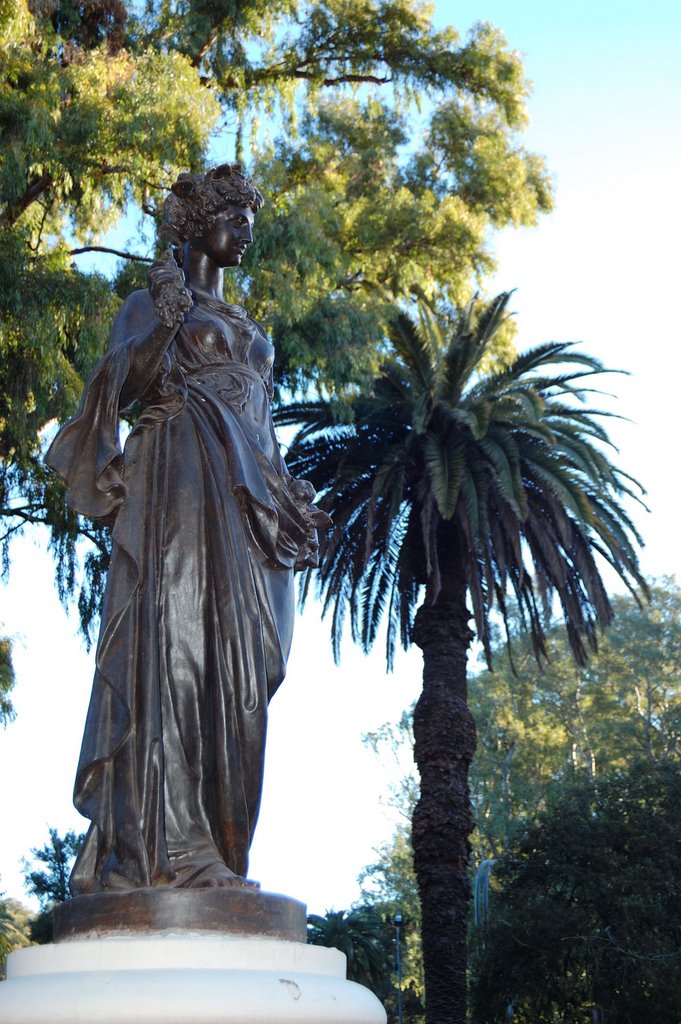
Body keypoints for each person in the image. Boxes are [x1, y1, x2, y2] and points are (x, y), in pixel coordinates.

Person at [46, 164, 327, 893]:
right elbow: (120, 385)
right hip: (177, 477)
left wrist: (285, 492)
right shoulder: (152, 302)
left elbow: (259, 420)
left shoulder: (249, 326)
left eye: (249, 222)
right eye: (233, 219)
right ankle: (172, 850)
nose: (245, 233)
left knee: (250, 665)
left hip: (249, 499)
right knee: (175, 649)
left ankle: (224, 852)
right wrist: (166, 317)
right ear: (197, 225)